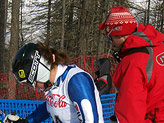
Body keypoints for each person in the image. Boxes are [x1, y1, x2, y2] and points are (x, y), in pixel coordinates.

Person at [10, 42, 104, 123]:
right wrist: (27, 121)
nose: (36, 88)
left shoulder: (76, 80)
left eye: (34, 83)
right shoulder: (53, 83)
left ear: (40, 73)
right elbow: (51, 105)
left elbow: (90, 120)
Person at [99, 6, 164, 123]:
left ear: (120, 34)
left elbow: (129, 112)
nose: (112, 43)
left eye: (111, 38)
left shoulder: (133, 61)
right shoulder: (159, 47)